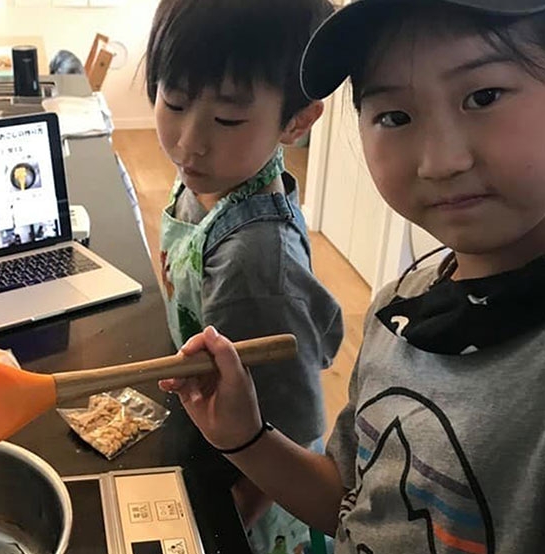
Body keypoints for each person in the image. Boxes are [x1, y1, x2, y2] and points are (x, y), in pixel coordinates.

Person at [162, 1, 545, 552]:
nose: (441, 162)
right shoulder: (400, 308)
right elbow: (353, 502)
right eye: (395, 116)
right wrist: (245, 437)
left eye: (483, 97)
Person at [145, 0, 343, 550]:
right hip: (208, 423)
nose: (189, 142)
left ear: (297, 121)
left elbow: (295, 420)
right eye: (174, 100)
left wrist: (233, 516)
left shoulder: (255, 259)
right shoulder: (213, 175)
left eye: (228, 119)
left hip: (259, 487)